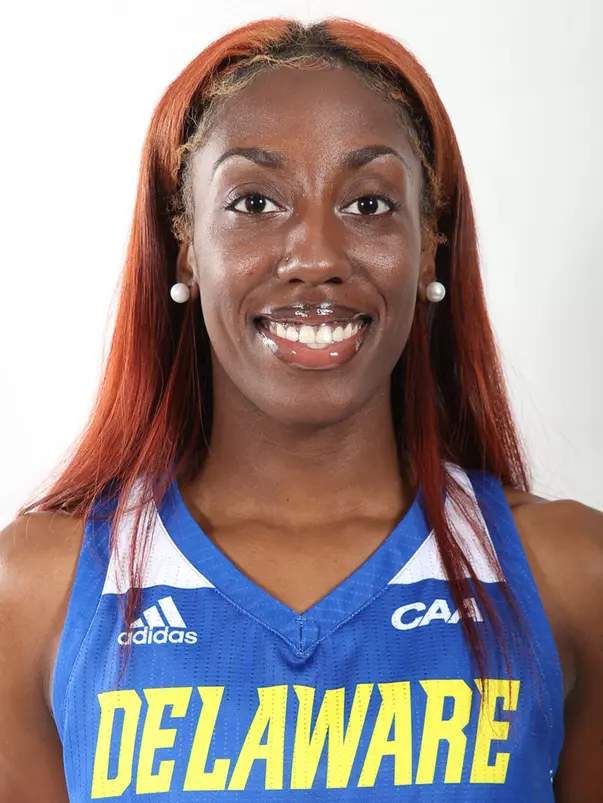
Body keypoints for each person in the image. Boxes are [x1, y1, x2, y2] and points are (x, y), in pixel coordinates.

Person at [1, 16, 602, 803]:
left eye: (368, 204)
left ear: (430, 243)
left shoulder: (567, 574)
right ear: (185, 245)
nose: (315, 256)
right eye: (254, 201)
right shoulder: (39, 591)